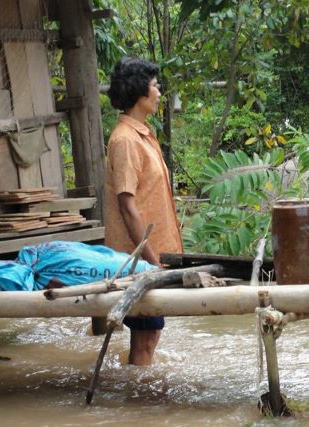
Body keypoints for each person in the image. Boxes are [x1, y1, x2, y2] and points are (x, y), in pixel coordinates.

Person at [105, 57, 184, 365]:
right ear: (139, 92)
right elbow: (127, 207)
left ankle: (139, 392)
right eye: (154, 85)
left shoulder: (142, 134)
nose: (159, 91)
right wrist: (152, 262)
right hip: (141, 260)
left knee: (149, 335)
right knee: (147, 337)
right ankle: (141, 402)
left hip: (154, 256)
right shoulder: (125, 140)